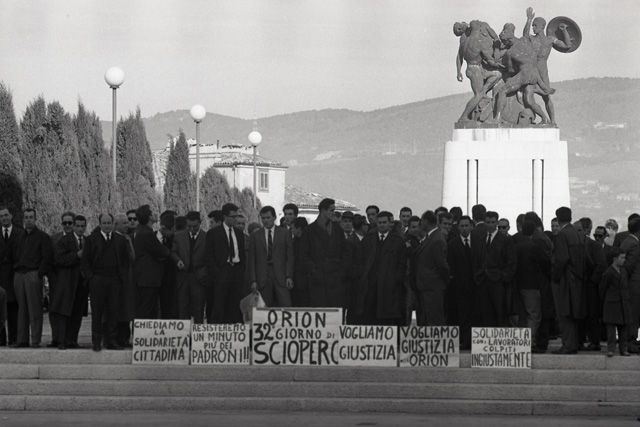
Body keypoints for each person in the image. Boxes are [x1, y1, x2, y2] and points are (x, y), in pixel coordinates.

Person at [81, 214, 127, 352]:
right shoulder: (91, 239)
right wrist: (90, 277)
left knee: (114, 311)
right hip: (97, 279)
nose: (107, 225)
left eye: (109, 223)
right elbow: (85, 260)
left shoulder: (120, 239)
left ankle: (112, 341)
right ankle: (96, 341)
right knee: (97, 312)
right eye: (104, 223)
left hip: (114, 280)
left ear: (113, 224)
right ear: (100, 224)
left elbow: (124, 260)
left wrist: (121, 277)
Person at [355, 211, 407, 325]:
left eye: (384, 222)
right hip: (370, 285)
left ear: (389, 223)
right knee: (370, 315)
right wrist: (362, 275)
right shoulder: (367, 240)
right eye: (379, 223)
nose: (382, 225)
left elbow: (402, 263)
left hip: (389, 285)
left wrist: (396, 278)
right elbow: (359, 259)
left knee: (387, 317)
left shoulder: (398, 242)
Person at [523, 7, 572, 124]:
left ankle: (553, 121)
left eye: (535, 25)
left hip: (543, 71)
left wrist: (564, 30)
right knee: (527, 96)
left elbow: (567, 45)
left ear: (542, 27)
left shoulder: (550, 40)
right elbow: (525, 35)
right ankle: (536, 118)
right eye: (533, 26)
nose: (533, 28)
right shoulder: (532, 39)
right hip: (532, 71)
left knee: (546, 97)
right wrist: (529, 20)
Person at [134, 205, 182, 320]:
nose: (155, 214)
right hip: (148, 279)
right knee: (146, 310)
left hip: (147, 279)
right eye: (153, 212)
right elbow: (163, 251)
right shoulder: (147, 233)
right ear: (149, 217)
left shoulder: (142, 231)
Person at [299, 198, 349, 309]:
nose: (333, 213)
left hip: (335, 278)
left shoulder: (337, 229)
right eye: (331, 210)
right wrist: (314, 270)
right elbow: (303, 254)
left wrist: (341, 269)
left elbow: (345, 251)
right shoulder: (309, 230)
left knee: (335, 311)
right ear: (323, 211)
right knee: (320, 310)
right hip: (318, 280)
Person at [12, 208, 52, 348]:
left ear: (35, 219)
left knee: (35, 308)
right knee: (21, 309)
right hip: (19, 274)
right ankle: (22, 339)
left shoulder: (42, 237)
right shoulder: (19, 238)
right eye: (26, 217)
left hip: (33, 273)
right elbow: (14, 255)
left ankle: (35, 339)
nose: (28, 220)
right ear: (23, 219)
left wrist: (39, 273)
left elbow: (46, 257)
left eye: (31, 217)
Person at [472, 210, 517, 327]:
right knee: (485, 312)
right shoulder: (481, 240)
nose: (490, 225)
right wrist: (478, 275)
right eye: (488, 222)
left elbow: (512, 262)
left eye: (492, 222)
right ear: (484, 222)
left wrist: (503, 276)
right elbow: (476, 260)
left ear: (497, 223)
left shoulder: (506, 240)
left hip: (498, 282)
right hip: (483, 280)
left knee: (500, 312)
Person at [551, 207, 586, 354]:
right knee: (573, 314)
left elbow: (562, 258)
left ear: (558, 218)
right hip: (576, 279)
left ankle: (568, 345)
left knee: (564, 313)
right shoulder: (576, 233)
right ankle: (573, 344)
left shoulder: (562, 235)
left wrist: (555, 276)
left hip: (564, 280)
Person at [205, 203, 245, 324]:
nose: (235, 219)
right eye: (233, 216)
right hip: (222, 271)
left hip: (236, 271)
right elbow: (208, 255)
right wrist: (217, 273)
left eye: (237, 216)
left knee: (234, 304)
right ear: (225, 217)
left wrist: (241, 270)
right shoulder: (213, 233)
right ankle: (218, 329)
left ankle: (232, 327)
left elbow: (242, 254)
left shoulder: (239, 233)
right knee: (219, 305)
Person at [51, 215, 87, 350]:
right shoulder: (64, 241)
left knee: (77, 313)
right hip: (68, 282)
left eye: (82, 226)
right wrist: (76, 256)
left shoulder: (87, 241)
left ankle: (72, 340)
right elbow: (59, 258)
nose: (80, 229)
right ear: (74, 226)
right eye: (77, 226)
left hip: (82, 283)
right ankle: (62, 341)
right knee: (64, 312)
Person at [248, 206, 294, 308]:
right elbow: (252, 260)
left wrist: (289, 276)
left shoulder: (285, 233)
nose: (265, 220)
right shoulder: (255, 236)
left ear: (274, 217)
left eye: (268, 217)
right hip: (263, 276)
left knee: (286, 304)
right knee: (264, 306)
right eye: (263, 218)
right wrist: (253, 280)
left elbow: (289, 257)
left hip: (281, 274)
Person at [514, 220, 548, 353]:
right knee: (534, 315)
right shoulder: (534, 246)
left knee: (523, 316)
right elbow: (543, 263)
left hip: (518, 283)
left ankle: (523, 340)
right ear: (534, 231)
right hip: (532, 284)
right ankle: (529, 342)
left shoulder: (517, 245)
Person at [172, 211, 209, 324]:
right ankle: (184, 333)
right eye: (189, 226)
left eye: (195, 226)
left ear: (200, 223)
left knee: (199, 310)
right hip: (183, 277)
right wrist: (178, 260)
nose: (192, 229)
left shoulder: (206, 237)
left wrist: (204, 272)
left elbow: (210, 258)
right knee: (182, 309)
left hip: (199, 278)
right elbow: (173, 252)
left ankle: (198, 333)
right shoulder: (179, 236)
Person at [415, 211, 450, 326]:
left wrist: (443, 281)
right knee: (426, 319)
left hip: (433, 286)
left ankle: (438, 338)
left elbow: (442, 265)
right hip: (426, 285)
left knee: (434, 319)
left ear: (426, 221)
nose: (420, 223)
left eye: (421, 221)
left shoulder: (437, 239)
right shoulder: (430, 237)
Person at [447, 215, 474, 349]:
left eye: (466, 226)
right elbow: (451, 266)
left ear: (471, 226)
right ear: (457, 227)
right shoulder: (453, 244)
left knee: (474, 314)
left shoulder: (478, 242)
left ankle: (472, 340)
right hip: (460, 286)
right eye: (462, 226)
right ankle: (464, 340)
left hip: (476, 285)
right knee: (462, 314)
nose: (464, 229)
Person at [599, 247, 632, 357]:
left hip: (623, 303)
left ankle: (624, 348)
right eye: (621, 258)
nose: (623, 260)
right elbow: (602, 289)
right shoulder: (608, 273)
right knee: (611, 329)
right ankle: (611, 348)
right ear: (615, 258)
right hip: (612, 304)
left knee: (623, 328)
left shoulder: (624, 271)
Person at [0, 206, 23, 347]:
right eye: (1, 216)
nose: (4, 218)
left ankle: (14, 338)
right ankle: (1, 339)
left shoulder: (20, 234)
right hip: (0, 279)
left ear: (11, 216)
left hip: (14, 276)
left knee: (14, 310)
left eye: (6, 215)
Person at [113, 213, 135, 347]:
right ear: (116, 225)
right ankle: (118, 338)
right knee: (119, 310)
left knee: (126, 310)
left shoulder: (128, 238)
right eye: (125, 223)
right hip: (118, 280)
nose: (128, 225)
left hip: (128, 280)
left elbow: (133, 258)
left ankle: (124, 337)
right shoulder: (114, 239)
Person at [620, 218, 640, 352]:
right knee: (633, 314)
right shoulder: (634, 244)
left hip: (631, 286)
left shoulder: (628, 241)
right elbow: (628, 267)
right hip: (633, 286)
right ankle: (630, 341)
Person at [290, 217, 310, 307]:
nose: (292, 231)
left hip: (306, 280)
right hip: (296, 280)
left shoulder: (309, 241)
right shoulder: (294, 241)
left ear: (299, 228)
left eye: (293, 228)